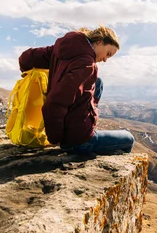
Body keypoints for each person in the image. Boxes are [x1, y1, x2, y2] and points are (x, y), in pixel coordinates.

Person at [18, 26, 135, 155]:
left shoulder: (63, 48)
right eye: (108, 54)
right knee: (129, 139)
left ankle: (85, 121)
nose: (105, 60)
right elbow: (54, 103)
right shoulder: (86, 65)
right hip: (78, 140)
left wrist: (27, 70)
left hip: (70, 126)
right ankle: (83, 132)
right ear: (99, 41)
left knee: (98, 83)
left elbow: (26, 58)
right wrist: (56, 139)